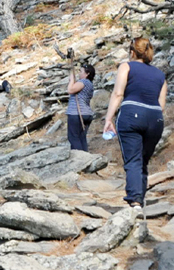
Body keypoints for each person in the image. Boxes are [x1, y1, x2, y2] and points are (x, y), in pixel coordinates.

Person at [104, 37, 167, 212]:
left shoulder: (126, 66)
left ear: (132, 51)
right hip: (155, 119)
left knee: (133, 160)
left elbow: (118, 94)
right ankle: (140, 197)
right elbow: (161, 105)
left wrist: (108, 119)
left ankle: (135, 202)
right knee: (143, 161)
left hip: (131, 114)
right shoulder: (160, 75)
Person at [66, 59, 95, 151]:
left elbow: (70, 90)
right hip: (86, 113)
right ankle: (86, 158)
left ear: (87, 74)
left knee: (73, 137)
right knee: (82, 138)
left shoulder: (84, 82)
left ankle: (79, 160)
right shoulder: (90, 84)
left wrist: (71, 80)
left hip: (77, 113)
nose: (79, 74)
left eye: (81, 71)